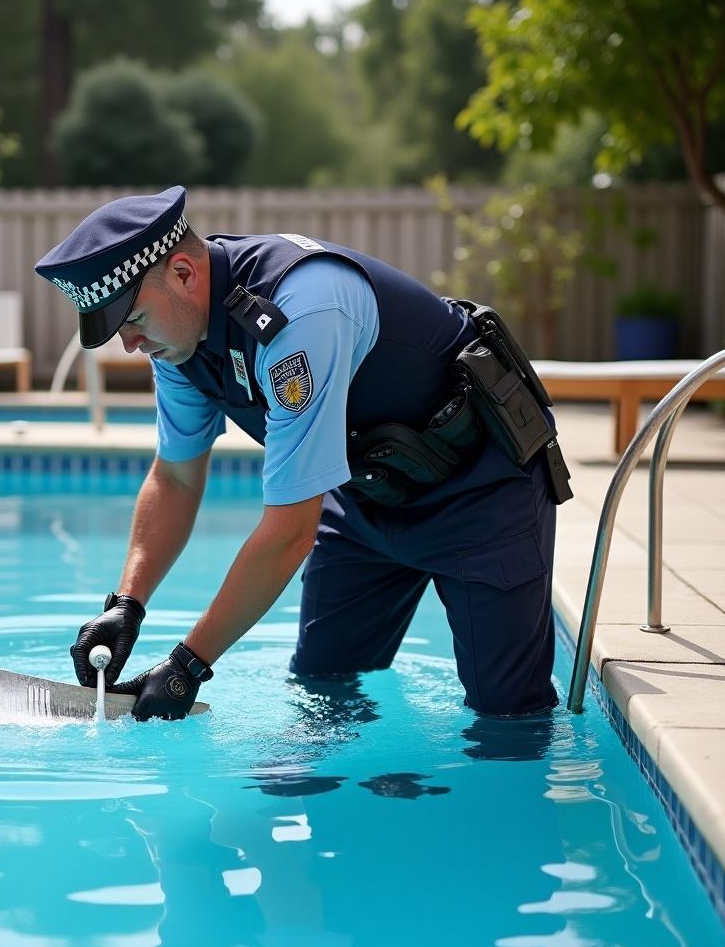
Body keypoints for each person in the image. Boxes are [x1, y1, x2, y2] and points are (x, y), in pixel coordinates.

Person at [34, 186, 570, 722]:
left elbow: (290, 532)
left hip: (480, 495)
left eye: (134, 321)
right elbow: (175, 478)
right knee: (324, 689)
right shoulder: (176, 344)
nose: (128, 344)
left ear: (182, 273)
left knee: (509, 721)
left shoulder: (300, 313)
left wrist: (187, 665)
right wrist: (127, 604)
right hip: (367, 499)